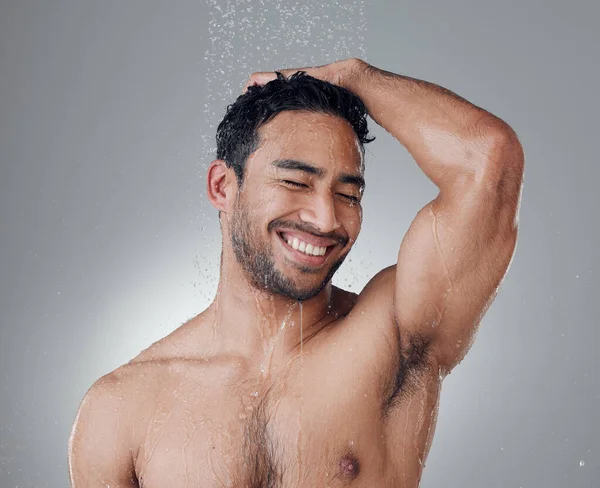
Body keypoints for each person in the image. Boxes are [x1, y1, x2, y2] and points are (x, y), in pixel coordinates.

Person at [68, 58, 524, 487]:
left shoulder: (394, 336)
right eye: (296, 182)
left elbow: (488, 160)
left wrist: (353, 76)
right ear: (223, 186)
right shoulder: (121, 407)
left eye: (348, 193)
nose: (325, 219)